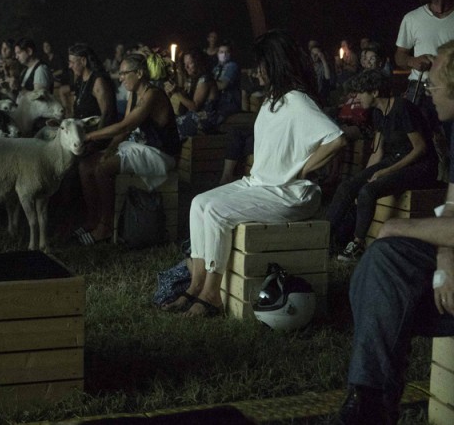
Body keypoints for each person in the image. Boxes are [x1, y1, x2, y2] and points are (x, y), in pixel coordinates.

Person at [162, 30, 345, 318]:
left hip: (287, 193)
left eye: (261, 65)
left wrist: (305, 167)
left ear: (274, 65)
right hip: (260, 184)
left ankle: (212, 295)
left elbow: (337, 138)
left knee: (217, 212)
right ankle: (195, 287)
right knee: (199, 204)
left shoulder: (298, 100)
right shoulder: (275, 98)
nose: (256, 71)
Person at [337, 39, 454, 425]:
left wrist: (397, 224)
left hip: (416, 175)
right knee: (381, 261)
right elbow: (451, 207)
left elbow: (419, 155)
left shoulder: (405, 110)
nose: (430, 90)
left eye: (436, 82)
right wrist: (444, 260)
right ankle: (370, 400)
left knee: (389, 238)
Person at [326, 70, 438, 262]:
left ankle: (357, 244)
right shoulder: (378, 112)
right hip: (394, 160)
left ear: (375, 92)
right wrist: (363, 177)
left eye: (361, 92)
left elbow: (420, 149)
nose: (357, 97)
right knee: (348, 186)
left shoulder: (403, 108)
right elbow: (378, 152)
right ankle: (325, 237)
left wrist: (384, 172)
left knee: (368, 192)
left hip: (420, 165)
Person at [76, 52, 180, 245]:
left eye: (125, 73)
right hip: (140, 146)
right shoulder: (133, 94)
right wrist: (108, 150)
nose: (120, 78)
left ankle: (105, 227)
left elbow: (124, 127)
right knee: (86, 165)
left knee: (102, 169)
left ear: (139, 73)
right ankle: (93, 219)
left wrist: (89, 135)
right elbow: (124, 130)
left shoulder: (153, 95)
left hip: (160, 153)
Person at [395, 0, 454, 108]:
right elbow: (399, 56)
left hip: (450, 89)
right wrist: (412, 61)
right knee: (417, 131)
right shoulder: (412, 18)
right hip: (420, 89)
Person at [166, 49, 220, 139]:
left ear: (198, 63)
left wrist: (177, 92)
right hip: (192, 117)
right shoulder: (193, 79)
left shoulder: (205, 80)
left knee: (171, 127)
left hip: (205, 120)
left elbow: (195, 107)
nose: (186, 67)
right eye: (184, 64)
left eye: (190, 63)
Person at [68, 43, 117, 130]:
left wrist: (95, 138)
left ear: (83, 61)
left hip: (95, 134)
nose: (70, 66)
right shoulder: (80, 81)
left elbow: (106, 115)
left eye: (72, 62)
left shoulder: (98, 81)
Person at [212, 40, 242, 118]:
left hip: (228, 103)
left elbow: (222, 85)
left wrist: (207, 82)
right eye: (221, 52)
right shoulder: (215, 68)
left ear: (230, 54)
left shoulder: (232, 66)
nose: (224, 54)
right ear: (217, 53)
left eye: (227, 52)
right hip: (218, 102)